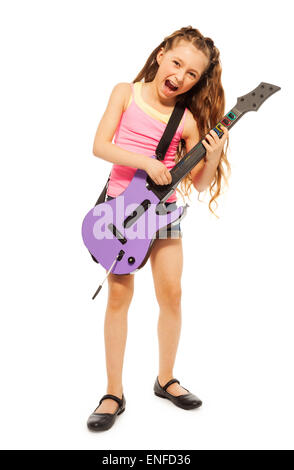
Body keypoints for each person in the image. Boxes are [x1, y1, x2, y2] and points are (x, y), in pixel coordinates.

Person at [87, 26, 230, 432]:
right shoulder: (125, 93)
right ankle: (113, 391)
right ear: (162, 53)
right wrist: (147, 162)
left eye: (192, 74)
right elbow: (100, 145)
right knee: (118, 298)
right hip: (120, 212)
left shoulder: (186, 121)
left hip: (164, 215)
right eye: (177, 63)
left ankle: (165, 378)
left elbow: (198, 184)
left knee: (173, 294)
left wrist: (213, 155)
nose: (181, 76)